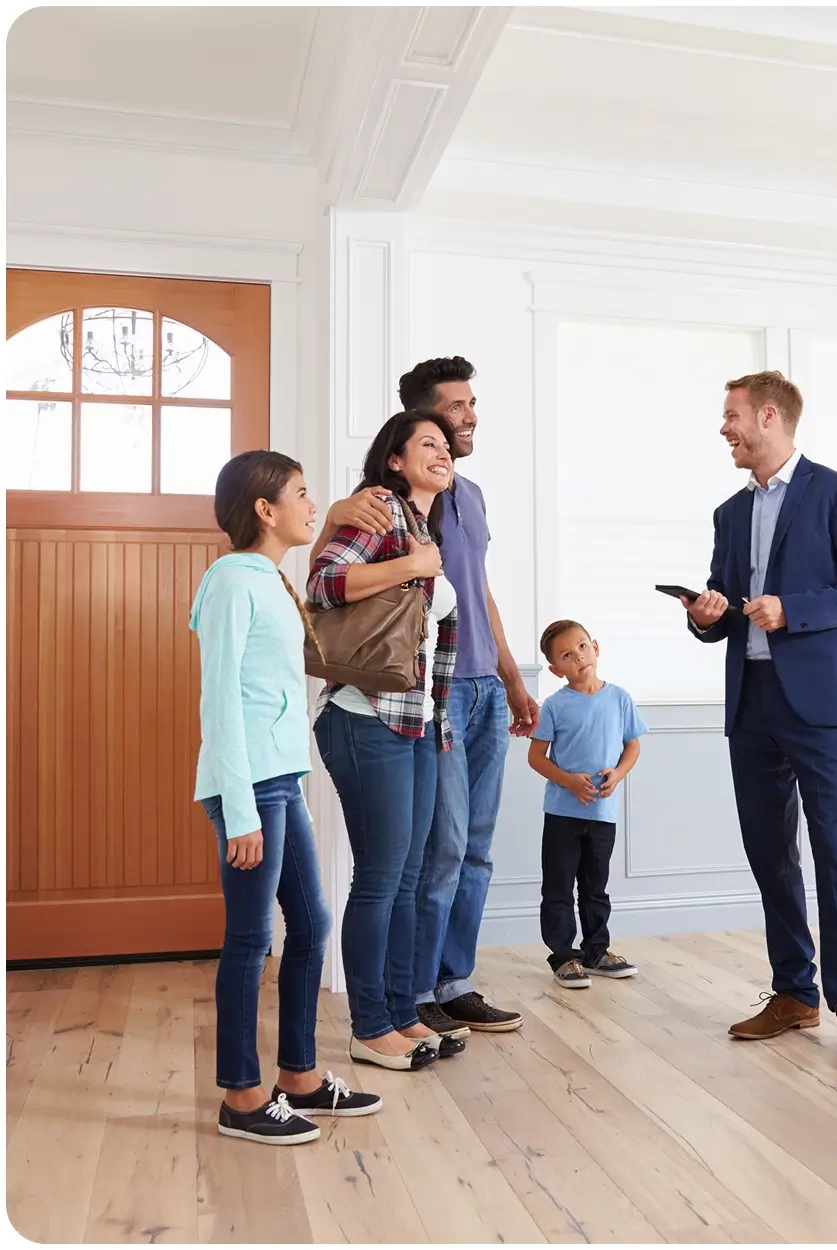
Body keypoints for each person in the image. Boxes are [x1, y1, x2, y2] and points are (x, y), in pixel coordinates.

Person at [310, 357, 536, 1035]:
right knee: (427, 856)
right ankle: (408, 996)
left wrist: (513, 676)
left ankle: (447, 981)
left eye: (470, 408)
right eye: (454, 411)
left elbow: (477, 590)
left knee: (472, 849)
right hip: (406, 699)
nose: (468, 418)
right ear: (416, 430)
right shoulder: (378, 506)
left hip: (467, 690)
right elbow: (326, 577)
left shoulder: (466, 499)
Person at [682, 370, 837, 1069]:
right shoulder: (729, 513)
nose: (724, 429)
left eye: (732, 416)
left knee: (833, 852)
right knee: (770, 853)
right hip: (752, 701)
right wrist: (706, 614)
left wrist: (792, 610)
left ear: (768, 416)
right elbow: (722, 609)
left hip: (822, 703)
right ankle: (794, 993)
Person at [191, 450, 382, 1146]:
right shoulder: (230, 582)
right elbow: (222, 704)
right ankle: (241, 1096)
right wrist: (240, 810)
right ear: (264, 510)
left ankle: (297, 1076)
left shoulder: (270, 578)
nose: (313, 504)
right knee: (250, 939)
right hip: (248, 789)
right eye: (302, 494)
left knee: (310, 925)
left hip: (281, 781)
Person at [308, 410, 468, 1069]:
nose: (444, 451)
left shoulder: (424, 529)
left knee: (406, 877)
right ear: (394, 461)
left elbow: (430, 643)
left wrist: (442, 723)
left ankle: (402, 1015)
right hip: (363, 715)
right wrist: (412, 565)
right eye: (426, 444)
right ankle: (369, 1026)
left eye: (446, 445)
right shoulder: (378, 509)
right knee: (381, 878)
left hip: (416, 723)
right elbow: (324, 584)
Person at [528, 620, 646, 987]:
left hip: (603, 813)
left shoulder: (620, 698)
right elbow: (536, 757)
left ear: (595, 646)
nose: (578, 657)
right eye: (567, 654)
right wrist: (568, 781)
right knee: (559, 886)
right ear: (555, 668)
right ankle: (564, 956)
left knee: (596, 886)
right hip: (562, 813)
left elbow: (633, 745)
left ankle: (596, 951)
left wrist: (619, 773)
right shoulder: (554, 706)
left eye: (582, 647)